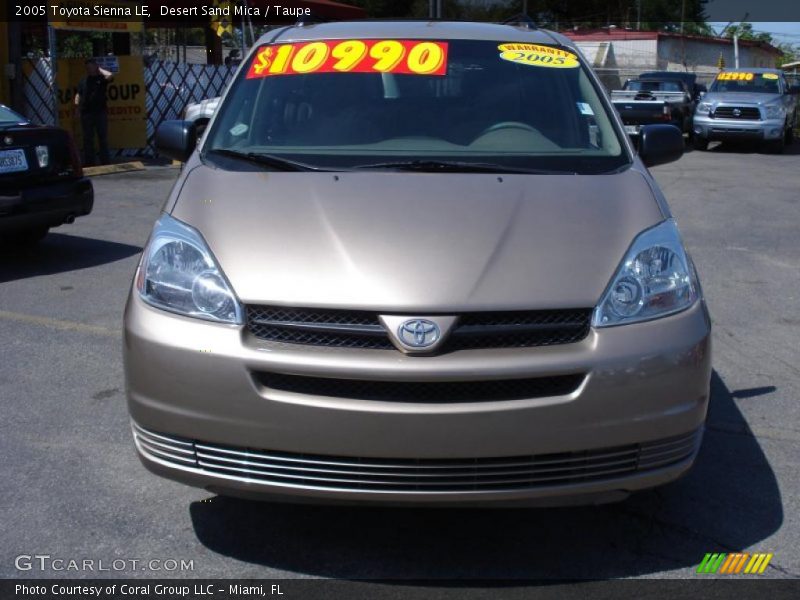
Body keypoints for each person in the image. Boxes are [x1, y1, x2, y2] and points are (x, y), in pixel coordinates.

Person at [74, 58, 114, 166]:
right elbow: (78, 94)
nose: (89, 69)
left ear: (95, 67)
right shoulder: (83, 80)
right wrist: (77, 107)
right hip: (86, 113)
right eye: (87, 67)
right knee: (87, 138)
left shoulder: (101, 79)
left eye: (91, 67)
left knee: (102, 137)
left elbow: (110, 75)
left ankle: (105, 161)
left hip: (100, 112)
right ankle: (89, 162)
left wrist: (99, 69)